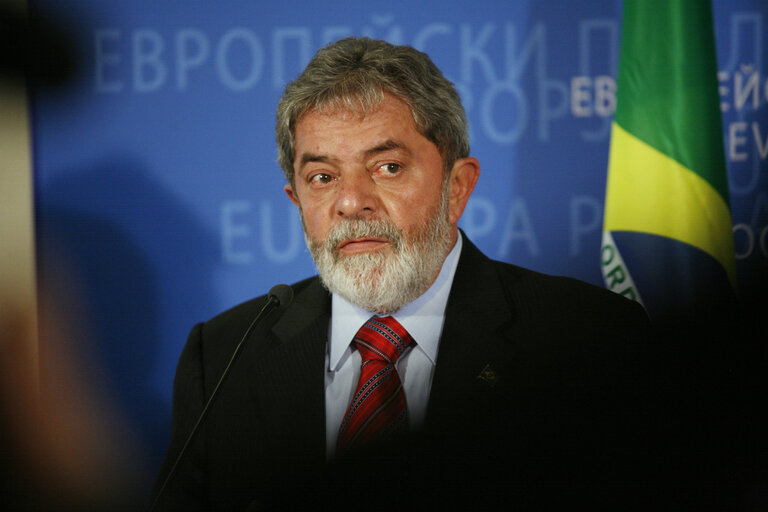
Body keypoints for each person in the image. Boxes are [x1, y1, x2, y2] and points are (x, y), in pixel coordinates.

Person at [153, 37, 660, 510]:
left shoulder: (587, 338)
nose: (351, 202)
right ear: (297, 200)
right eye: (322, 178)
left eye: (387, 167)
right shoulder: (222, 358)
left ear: (457, 187)